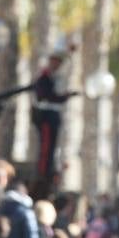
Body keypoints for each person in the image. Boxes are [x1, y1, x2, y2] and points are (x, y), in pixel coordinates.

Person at [31, 49, 76, 195]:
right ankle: (43, 172)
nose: (56, 65)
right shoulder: (44, 77)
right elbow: (45, 96)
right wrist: (63, 97)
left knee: (51, 147)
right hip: (46, 115)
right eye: (55, 61)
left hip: (52, 114)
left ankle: (47, 170)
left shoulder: (54, 77)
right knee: (46, 146)